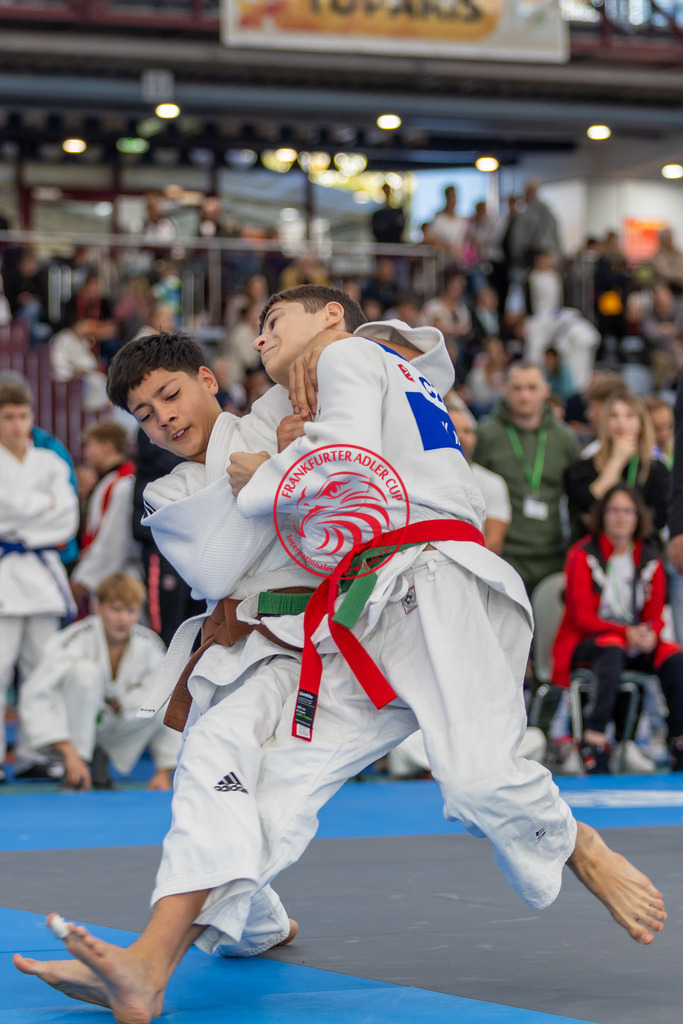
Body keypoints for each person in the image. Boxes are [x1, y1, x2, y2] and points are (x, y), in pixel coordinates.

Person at [14, 298, 666, 1024]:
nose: (163, 418)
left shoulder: (337, 366)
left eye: (274, 325)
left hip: (426, 578)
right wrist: (290, 459)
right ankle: (173, 953)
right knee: (250, 783)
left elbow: (361, 441)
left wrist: (285, 454)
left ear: (328, 318)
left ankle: (577, 843)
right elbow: (223, 558)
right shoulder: (212, 459)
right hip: (344, 623)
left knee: (479, 779)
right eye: (145, 413)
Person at [551, 484, 683, 774]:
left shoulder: (649, 556)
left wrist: (650, 634)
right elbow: (582, 617)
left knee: (674, 656)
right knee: (612, 645)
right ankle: (594, 740)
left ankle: (678, 739)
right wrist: (626, 634)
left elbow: (656, 613)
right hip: (589, 642)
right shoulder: (582, 554)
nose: (621, 517)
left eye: (627, 511)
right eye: (614, 510)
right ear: (602, 515)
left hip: (634, 641)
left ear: (638, 516)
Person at [17, 573, 178, 790]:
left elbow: (167, 700)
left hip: (116, 728)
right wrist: (69, 752)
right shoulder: (72, 640)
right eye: (115, 609)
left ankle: (101, 756)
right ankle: (77, 762)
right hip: (71, 729)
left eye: (130, 611)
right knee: (85, 673)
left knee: (160, 697)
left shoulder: (149, 645)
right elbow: (35, 694)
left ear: (140, 612)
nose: (123, 619)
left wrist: (164, 771)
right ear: (98, 607)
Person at [0, 382, 79, 783]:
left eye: (23, 416)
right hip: (5, 576)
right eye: (8, 417)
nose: (18, 424)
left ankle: (35, 752)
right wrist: (41, 507)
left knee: (43, 670)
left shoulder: (49, 462)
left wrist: (16, 516)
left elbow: (67, 519)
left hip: (42, 577)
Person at [473, 361, 578, 594]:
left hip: (553, 553)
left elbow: (575, 499)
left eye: (532, 387)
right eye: (517, 388)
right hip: (505, 553)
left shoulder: (565, 438)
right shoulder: (487, 435)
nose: (524, 395)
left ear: (545, 390)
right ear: (505, 390)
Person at [564, 392, 669, 544]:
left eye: (629, 415)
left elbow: (659, 517)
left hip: (641, 550)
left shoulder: (656, 469)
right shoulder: (584, 467)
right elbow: (585, 505)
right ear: (605, 422)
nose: (621, 422)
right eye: (614, 416)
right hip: (595, 549)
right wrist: (616, 461)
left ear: (641, 424)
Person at [70, 422, 141, 609]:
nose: (86, 454)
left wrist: (83, 580)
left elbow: (113, 541)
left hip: (119, 578)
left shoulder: (123, 484)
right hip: (108, 571)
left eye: (89, 446)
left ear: (107, 447)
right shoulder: (111, 480)